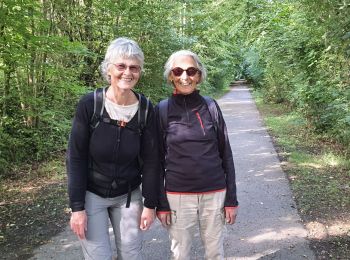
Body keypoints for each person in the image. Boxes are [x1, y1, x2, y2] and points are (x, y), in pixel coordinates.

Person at [66, 37, 159, 260]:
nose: (128, 72)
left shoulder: (146, 109)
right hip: (92, 194)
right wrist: (76, 208)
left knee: (131, 255)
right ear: (109, 68)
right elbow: (75, 158)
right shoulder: (91, 104)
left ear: (140, 72)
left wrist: (150, 203)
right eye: (121, 66)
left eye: (134, 67)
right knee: (98, 256)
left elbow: (152, 161)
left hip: (128, 195)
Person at [156, 50, 238, 260]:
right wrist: (161, 204)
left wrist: (231, 200)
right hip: (177, 196)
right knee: (180, 254)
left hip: (215, 193)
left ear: (199, 75)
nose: (185, 76)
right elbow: (155, 161)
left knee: (215, 252)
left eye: (191, 71)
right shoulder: (162, 110)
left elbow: (226, 153)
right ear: (170, 76)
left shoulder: (210, 106)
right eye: (178, 71)